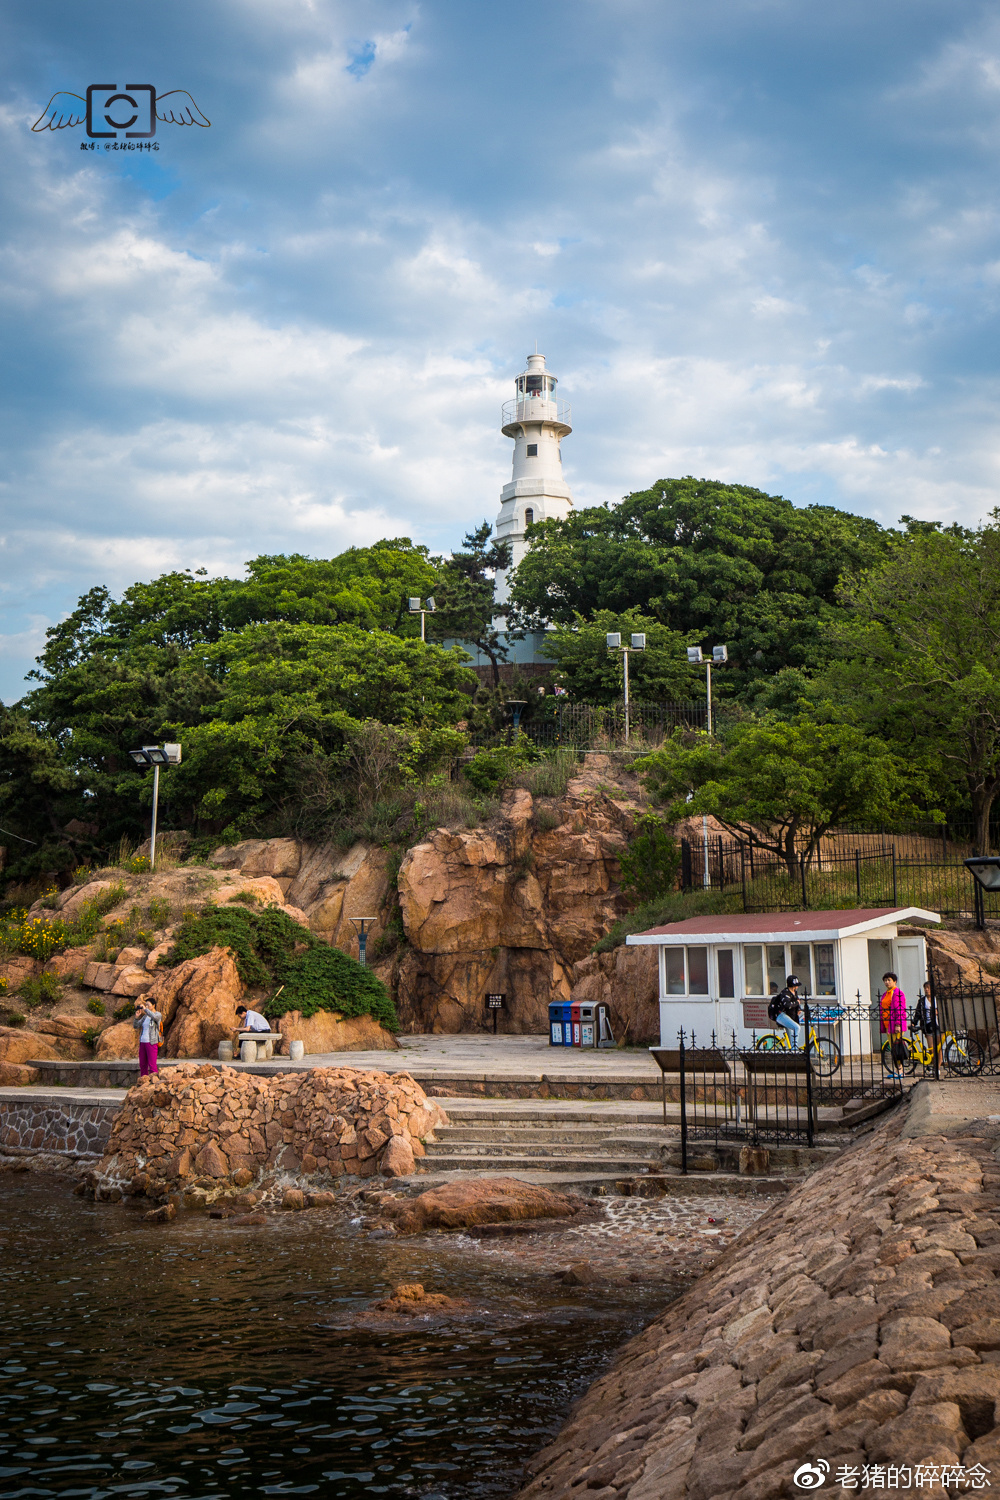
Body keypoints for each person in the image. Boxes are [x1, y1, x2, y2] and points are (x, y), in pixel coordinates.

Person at [880, 971, 908, 1064]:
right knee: (893, 1048)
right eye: (885, 980)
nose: (887, 982)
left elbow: (900, 1009)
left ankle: (900, 1070)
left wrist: (898, 1024)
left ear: (895, 981)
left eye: (889, 980)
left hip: (895, 1024)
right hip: (887, 1024)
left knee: (897, 1048)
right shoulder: (885, 994)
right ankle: (898, 1070)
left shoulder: (897, 993)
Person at [768, 975, 803, 1048]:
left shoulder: (794, 992)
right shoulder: (785, 993)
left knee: (791, 1039)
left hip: (788, 1016)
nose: (797, 987)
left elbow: (797, 1000)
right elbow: (787, 1005)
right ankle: (795, 1050)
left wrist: (798, 1008)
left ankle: (793, 1051)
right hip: (781, 1015)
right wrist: (797, 1003)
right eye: (796, 985)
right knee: (797, 1027)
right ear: (792, 985)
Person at [132, 998, 162, 1077]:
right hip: (143, 1042)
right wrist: (136, 1017)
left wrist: (145, 1010)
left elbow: (155, 1018)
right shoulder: (145, 1017)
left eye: (148, 1005)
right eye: (146, 1005)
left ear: (153, 1005)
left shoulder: (158, 1014)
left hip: (151, 1042)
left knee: (152, 1064)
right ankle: (143, 1082)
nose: (146, 1006)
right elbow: (136, 1026)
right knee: (142, 1064)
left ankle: (154, 1082)